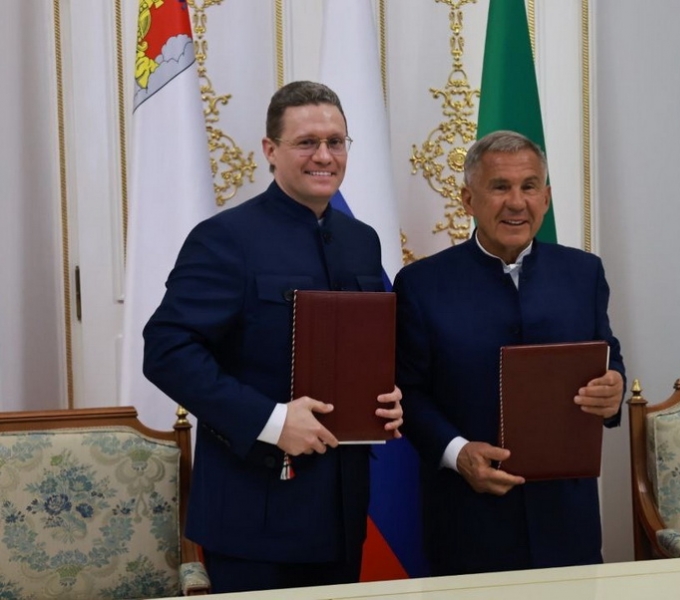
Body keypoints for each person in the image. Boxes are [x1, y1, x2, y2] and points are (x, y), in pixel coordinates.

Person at [142, 80, 403, 592]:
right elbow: (167, 350)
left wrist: (386, 399)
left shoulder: (361, 241)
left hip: (342, 513)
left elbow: (359, 346)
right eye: (306, 142)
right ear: (270, 150)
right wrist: (271, 420)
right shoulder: (224, 238)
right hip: (252, 515)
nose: (324, 156)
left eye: (336, 142)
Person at [394, 130, 625, 576]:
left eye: (529, 186)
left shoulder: (583, 273)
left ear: (546, 198)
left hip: (567, 522)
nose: (516, 202)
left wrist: (613, 386)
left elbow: (607, 355)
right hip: (468, 523)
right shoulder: (421, 285)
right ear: (468, 199)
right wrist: (458, 452)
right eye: (500, 187)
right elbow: (408, 391)